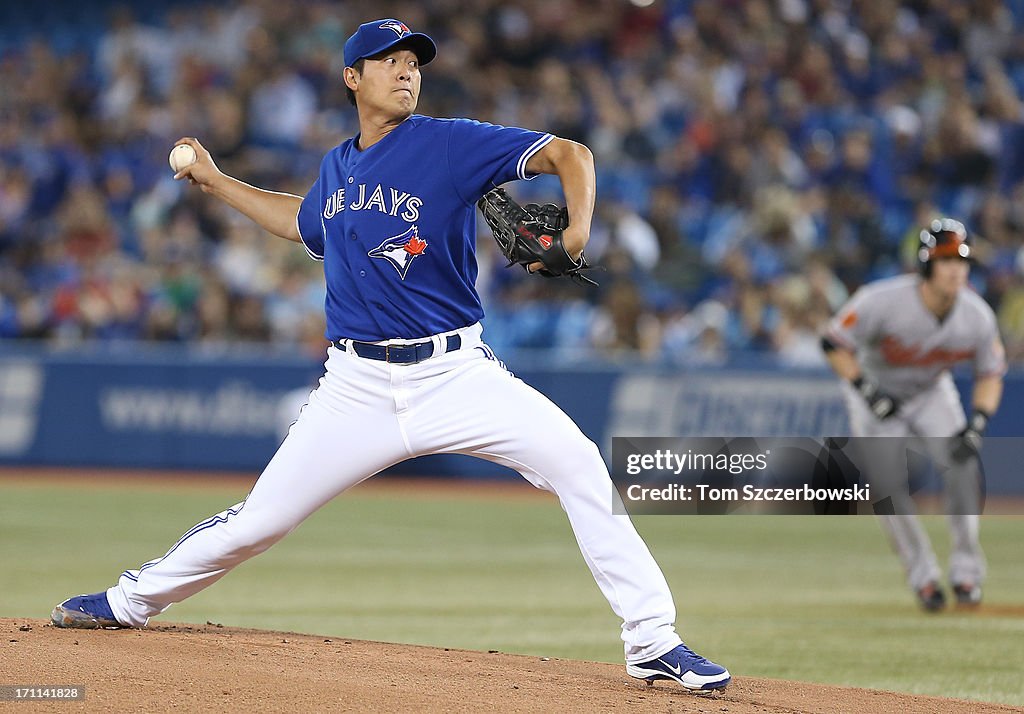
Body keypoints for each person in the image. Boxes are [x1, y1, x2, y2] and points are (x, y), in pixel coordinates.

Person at [50, 19, 730, 692]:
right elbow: (302, 221)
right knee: (260, 520)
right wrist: (219, 182)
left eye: (413, 61)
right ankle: (129, 601)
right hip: (356, 387)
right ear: (352, 77)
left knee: (579, 462)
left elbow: (571, 155)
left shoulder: (448, 143)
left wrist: (577, 229)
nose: (406, 71)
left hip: (455, 373)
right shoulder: (338, 166)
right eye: (387, 60)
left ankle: (652, 640)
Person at [821, 218, 1006, 611]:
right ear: (925, 266)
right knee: (888, 491)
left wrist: (977, 424)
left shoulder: (977, 315)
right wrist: (866, 389)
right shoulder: (881, 300)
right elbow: (833, 342)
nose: (956, 269)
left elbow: (991, 373)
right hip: (875, 392)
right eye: (945, 260)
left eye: (961, 260)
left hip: (930, 391)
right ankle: (923, 578)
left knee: (963, 466)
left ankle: (966, 572)